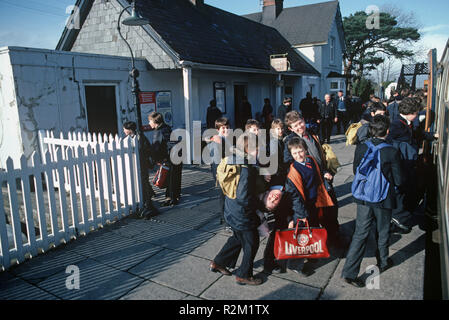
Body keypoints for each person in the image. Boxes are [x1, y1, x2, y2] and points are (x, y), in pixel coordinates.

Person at [342, 115, 404, 288]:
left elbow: (356, 170)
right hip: (383, 198)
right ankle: (383, 261)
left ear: (370, 130)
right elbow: (399, 180)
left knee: (360, 233)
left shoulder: (362, 147)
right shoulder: (391, 151)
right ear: (388, 131)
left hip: (363, 197)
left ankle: (349, 272)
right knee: (383, 231)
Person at [209, 133, 264, 286]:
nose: (259, 150)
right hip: (242, 213)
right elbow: (244, 196)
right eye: (257, 148)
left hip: (231, 209)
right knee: (251, 242)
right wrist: (260, 208)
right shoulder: (245, 169)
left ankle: (219, 262)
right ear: (249, 149)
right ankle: (244, 274)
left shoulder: (233, 159)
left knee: (237, 238)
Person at [283, 111, 340, 244]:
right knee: (316, 215)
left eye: (300, 123)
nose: (299, 127)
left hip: (323, 179)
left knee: (331, 210)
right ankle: (318, 244)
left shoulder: (312, 134)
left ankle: (333, 238)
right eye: (295, 126)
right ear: (291, 128)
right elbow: (288, 163)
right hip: (309, 183)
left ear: (303, 120)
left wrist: (324, 170)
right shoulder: (290, 141)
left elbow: (319, 155)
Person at [284, 137, 335, 276]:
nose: (298, 156)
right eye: (295, 154)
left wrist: (325, 175)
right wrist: (301, 215)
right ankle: (294, 264)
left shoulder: (311, 161)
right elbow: (294, 197)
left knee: (312, 229)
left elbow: (317, 176)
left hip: (313, 203)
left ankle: (310, 254)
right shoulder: (293, 171)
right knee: (300, 236)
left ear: (306, 150)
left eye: (300, 151)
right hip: (301, 209)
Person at [386, 97, 438, 232]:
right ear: (412, 113)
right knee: (403, 190)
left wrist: (433, 136)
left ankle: (399, 216)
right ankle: (397, 216)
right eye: (417, 113)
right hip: (402, 164)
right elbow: (388, 141)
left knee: (409, 189)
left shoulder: (405, 123)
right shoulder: (397, 125)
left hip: (407, 163)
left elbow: (417, 135)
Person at [122, 121, 159, 219]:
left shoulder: (140, 137)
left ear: (129, 130)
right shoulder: (129, 138)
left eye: (125, 129)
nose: (123, 130)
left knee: (144, 181)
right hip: (136, 165)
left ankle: (148, 202)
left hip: (142, 165)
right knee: (143, 182)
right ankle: (149, 196)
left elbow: (146, 150)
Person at [148, 112, 182, 207]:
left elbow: (156, 148)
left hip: (171, 156)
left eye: (150, 121)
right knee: (175, 176)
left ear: (155, 121)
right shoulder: (166, 128)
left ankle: (171, 199)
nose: (149, 123)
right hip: (177, 154)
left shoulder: (158, 131)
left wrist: (152, 162)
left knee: (170, 177)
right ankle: (174, 196)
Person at [208, 117, 231, 228]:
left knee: (226, 196)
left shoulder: (226, 139)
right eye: (223, 128)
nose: (226, 130)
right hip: (222, 173)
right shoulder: (217, 141)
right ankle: (225, 219)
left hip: (227, 171)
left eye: (227, 127)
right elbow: (217, 162)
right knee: (224, 196)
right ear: (218, 129)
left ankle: (225, 218)